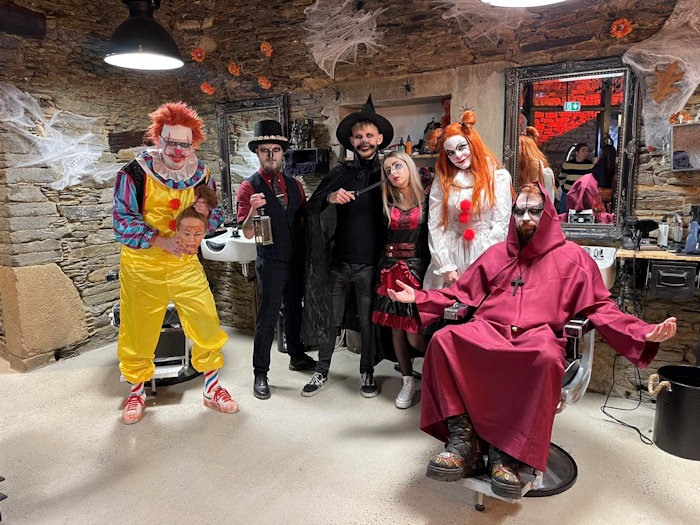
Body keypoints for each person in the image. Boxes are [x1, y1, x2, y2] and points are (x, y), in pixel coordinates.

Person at [388, 182, 676, 499]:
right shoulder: (497, 254)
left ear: (548, 213)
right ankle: (464, 441)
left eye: (534, 210)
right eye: (520, 211)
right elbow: (459, 293)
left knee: (545, 358)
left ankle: (506, 453)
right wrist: (419, 296)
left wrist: (642, 332)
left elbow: (601, 308)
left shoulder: (573, 258)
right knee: (444, 341)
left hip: (538, 336)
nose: (526, 217)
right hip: (489, 328)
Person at [113, 101, 238, 424]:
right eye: (171, 143)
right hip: (143, 267)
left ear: (193, 143)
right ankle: (137, 392)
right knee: (138, 330)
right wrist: (159, 240)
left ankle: (212, 389)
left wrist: (205, 214)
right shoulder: (134, 173)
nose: (178, 151)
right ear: (159, 139)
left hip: (185, 265)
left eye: (185, 144)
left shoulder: (200, 174)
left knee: (206, 322)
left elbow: (215, 217)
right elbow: (122, 221)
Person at [300, 95, 393, 397]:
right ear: (351, 141)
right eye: (358, 136)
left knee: (367, 323)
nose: (364, 141)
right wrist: (330, 198)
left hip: (371, 265)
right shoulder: (339, 174)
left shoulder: (388, 174)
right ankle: (321, 371)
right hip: (339, 264)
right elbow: (312, 207)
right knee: (331, 320)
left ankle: (367, 371)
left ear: (379, 139)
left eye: (369, 135)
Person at [236, 120, 316, 400]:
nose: (271, 155)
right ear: (257, 153)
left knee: (295, 309)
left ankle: (296, 355)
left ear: (283, 153)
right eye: (265, 150)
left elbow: (304, 220)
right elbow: (247, 233)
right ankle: (260, 373)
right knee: (267, 317)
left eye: (276, 150)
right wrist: (252, 212)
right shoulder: (248, 187)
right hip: (270, 260)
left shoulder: (295, 185)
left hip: (295, 259)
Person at [424, 110, 512, 290]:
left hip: (484, 254)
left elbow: (501, 225)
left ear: (473, 143)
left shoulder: (498, 177)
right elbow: (435, 224)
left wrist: (481, 263)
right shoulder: (442, 181)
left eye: (462, 147)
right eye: (450, 153)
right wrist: (445, 266)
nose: (457, 156)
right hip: (450, 255)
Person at [371, 152, 429, 409]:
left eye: (397, 166)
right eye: (388, 170)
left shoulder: (429, 200)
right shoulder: (386, 202)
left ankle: (438, 372)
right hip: (390, 270)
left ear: (409, 167)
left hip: (417, 271)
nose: (393, 172)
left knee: (415, 334)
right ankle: (407, 380)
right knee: (396, 328)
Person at [518, 126, 556, 203]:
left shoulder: (511, 171)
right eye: (535, 136)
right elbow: (549, 201)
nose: (536, 139)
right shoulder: (544, 172)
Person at [558, 142, 595, 214]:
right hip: (568, 192)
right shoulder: (568, 164)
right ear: (577, 152)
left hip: (582, 194)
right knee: (564, 214)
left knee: (580, 215)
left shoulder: (590, 165)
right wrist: (564, 188)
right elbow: (561, 176)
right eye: (583, 150)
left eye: (586, 151)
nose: (585, 153)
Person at [592, 141, 617, 212]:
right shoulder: (613, 165)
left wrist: (594, 164)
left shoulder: (600, 164)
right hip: (608, 193)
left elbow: (591, 176)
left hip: (598, 192)